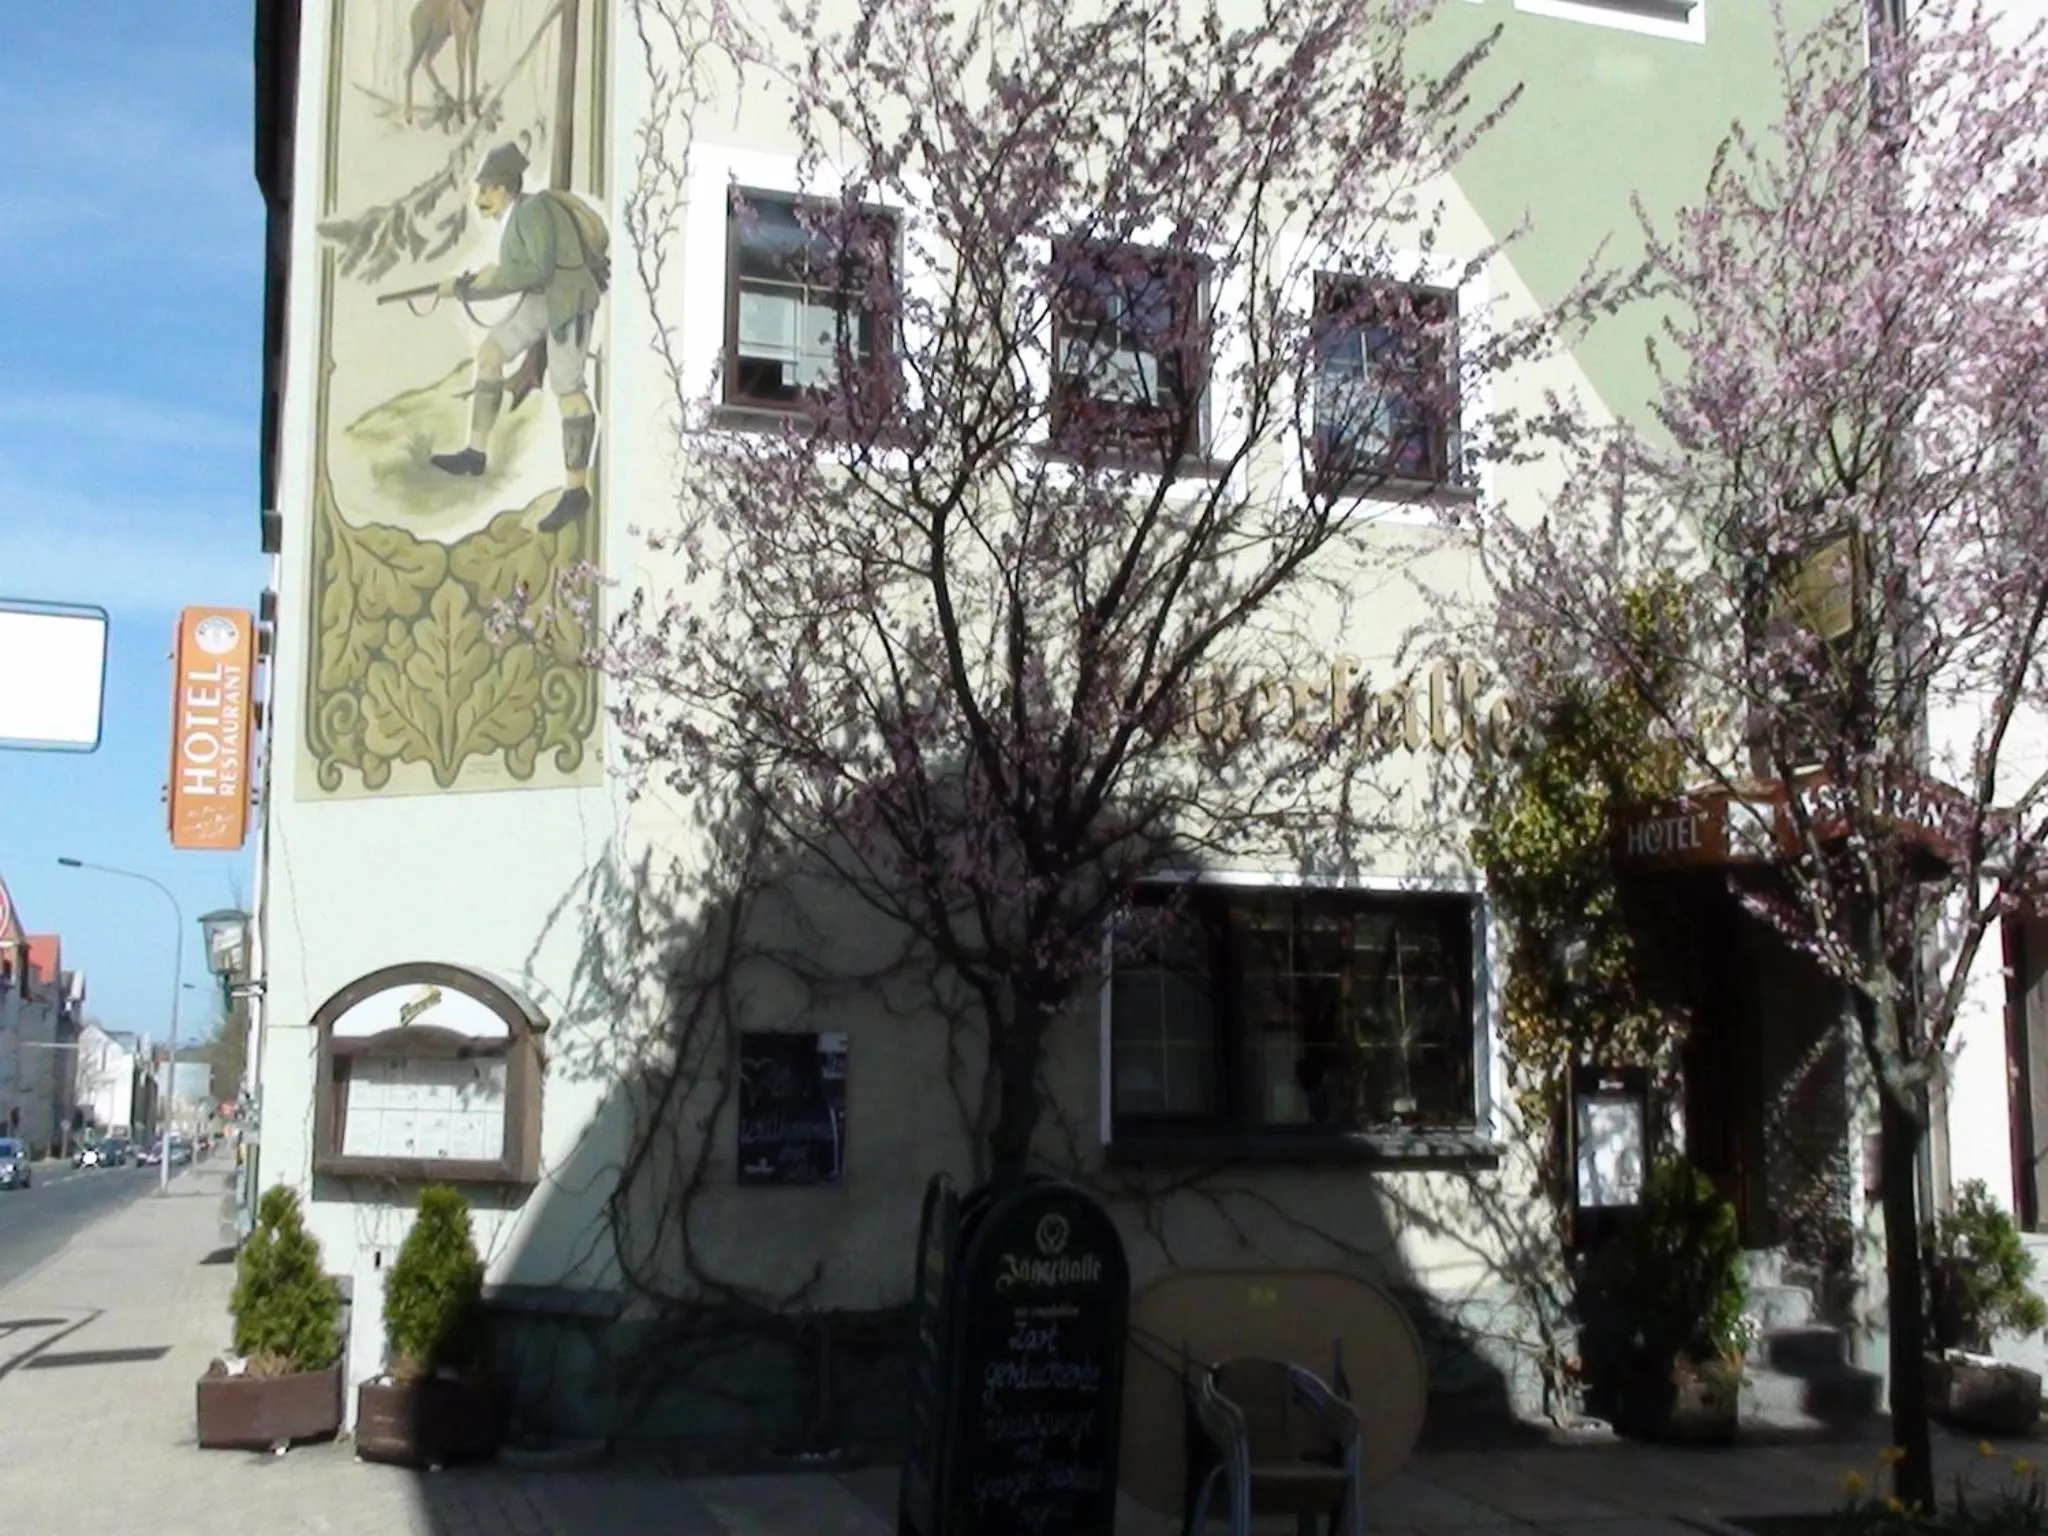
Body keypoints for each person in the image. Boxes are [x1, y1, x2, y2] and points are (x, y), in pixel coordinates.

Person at [430, 143, 608, 532]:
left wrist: (475, 284)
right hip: (543, 297)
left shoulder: (532, 211)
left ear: (505, 188)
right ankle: (475, 454)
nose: (480, 199)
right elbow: (520, 274)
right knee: (491, 353)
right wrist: (469, 286)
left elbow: (536, 269)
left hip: (567, 299)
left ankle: (576, 492)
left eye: (487, 189)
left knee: (568, 388)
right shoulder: (517, 216)